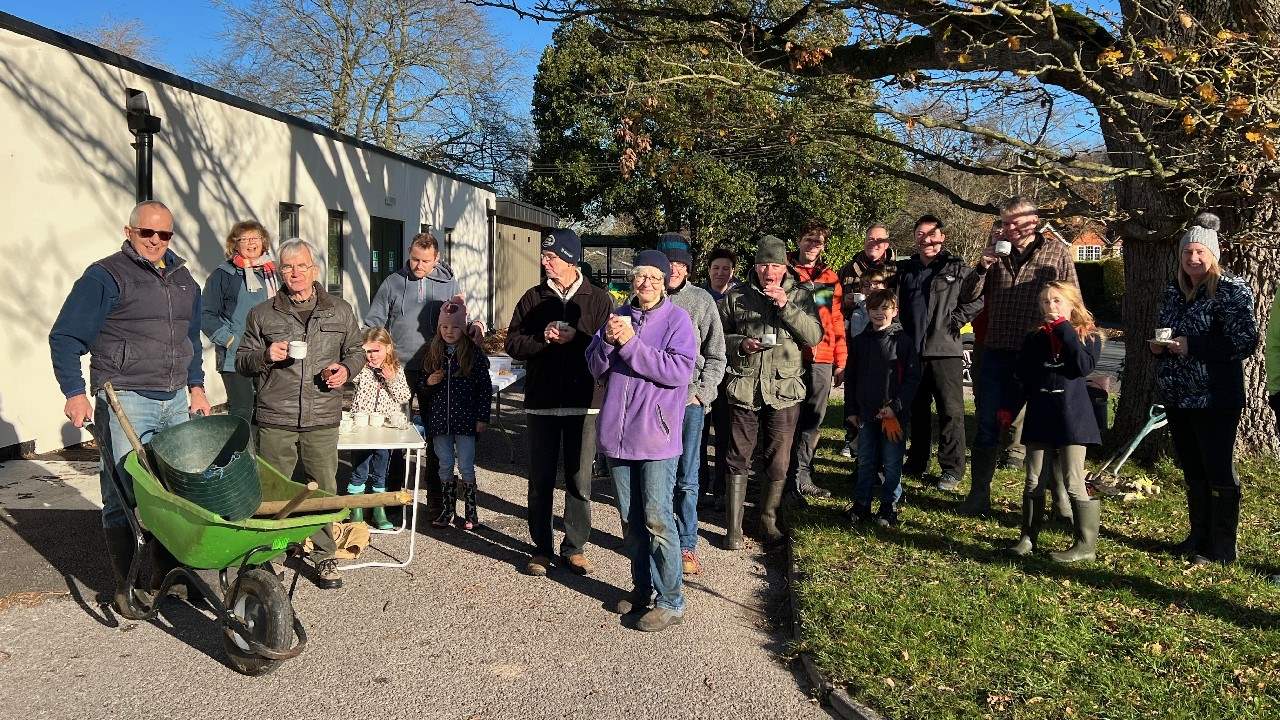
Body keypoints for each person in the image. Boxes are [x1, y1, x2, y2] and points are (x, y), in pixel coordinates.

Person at [50, 200, 211, 617]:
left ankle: (168, 576)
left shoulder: (182, 278)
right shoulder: (104, 276)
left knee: (174, 490)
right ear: (130, 231)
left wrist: (197, 386)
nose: (156, 241)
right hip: (125, 398)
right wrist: (74, 391)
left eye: (165, 234)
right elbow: (65, 336)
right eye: (148, 233)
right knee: (122, 490)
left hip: (175, 398)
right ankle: (126, 584)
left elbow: (189, 341)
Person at [236, 239, 365, 589]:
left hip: (322, 414)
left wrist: (345, 369)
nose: (295, 273)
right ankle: (271, 555)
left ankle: (324, 556)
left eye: (302, 266)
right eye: (289, 267)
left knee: (323, 488)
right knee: (274, 489)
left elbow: (356, 351)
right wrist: (265, 354)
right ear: (280, 271)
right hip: (275, 416)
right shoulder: (262, 313)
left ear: (315, 269)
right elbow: (242, 360)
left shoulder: (340, 310)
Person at [587, 250, 697, 632]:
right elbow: (595, 366)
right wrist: (605, 338)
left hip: (656, 438)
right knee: (630, 521)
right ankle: (642, 590)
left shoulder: (678, 321)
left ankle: (671, 599)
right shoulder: (618, 316)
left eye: (653, 277)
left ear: (666, 280)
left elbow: (679, 371)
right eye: (639, 276)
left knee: (657, 519)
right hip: (617, 436)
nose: (645, 283)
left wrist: (631, 344)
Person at [505, 228, 615, 577]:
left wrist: (577, 338)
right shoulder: (532, 297)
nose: (544, 261)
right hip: (542, 402)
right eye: (544, 255)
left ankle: (575, 547)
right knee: (539, 480)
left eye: (550, 256)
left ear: (571, 259)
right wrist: (542, 338)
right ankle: (541, 548)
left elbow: (609, 348)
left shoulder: (598, 299)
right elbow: (512, 344)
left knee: (580, 480)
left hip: (585, 403)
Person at [1150, 213, 1258, 566]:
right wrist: (1158, 345)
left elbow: (1244, 340)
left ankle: (1223, 547)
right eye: (1187, 253)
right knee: (1193, 469)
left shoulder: (1232, 289)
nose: (1193, 259)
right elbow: (1164, 329)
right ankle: (1197, 537)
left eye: (1199, 252)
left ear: (1213, 255)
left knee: (1218, 469)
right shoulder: (1173, 290)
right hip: (1179, 396)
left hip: (1215, 396)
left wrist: (1192, 345)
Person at [963, 197, 1079, 515]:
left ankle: (1060, 499)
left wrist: (1073, 343)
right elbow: (968, 296)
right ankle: (979, 494)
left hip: (1040, 352)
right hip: (996, 350)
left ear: (1035, 220)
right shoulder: (994, 249)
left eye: (1016, 221)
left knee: (1047, 426)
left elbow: (1073, 300)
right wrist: (982, 265)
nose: (1010, 228)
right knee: (987, 423)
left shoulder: (1057, 252)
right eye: (1005, 222)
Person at [365, 232, 483, 514]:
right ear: (409, 253)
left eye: (425, 261)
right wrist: (378, 356)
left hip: (437, 367)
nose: (419, 266)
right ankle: (391, 499)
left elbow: (461, 320)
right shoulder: (393, 282)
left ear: (437, 259)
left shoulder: (449, 285)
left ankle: (437, 502)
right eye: (415, 259)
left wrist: (476, 326)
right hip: (399, 368)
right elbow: (374, 322)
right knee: (394, 433)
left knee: (436, 435)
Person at [718, 235, 824, 548]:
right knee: (738, 456)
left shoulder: (803, 294)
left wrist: (785, 305)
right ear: (755, 265)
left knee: (778, 460)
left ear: (784, 266)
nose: (769, 271)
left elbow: (814, 335)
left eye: (775, 265)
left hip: (784, 388)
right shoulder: (736, 296)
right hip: (745, 386)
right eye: (764, 264)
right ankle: (733, 529)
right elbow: (716, 338)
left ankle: (767, 521)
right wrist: (740, 344)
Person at [1006, 282, 1103, 561]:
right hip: (1041, 412)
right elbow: (1023, 375)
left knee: (1074, 480)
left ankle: (1085, 545)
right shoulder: (1035, 337)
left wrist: (1064, 330)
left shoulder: (1088, 335)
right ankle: (1027, 537)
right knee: (1033, 479)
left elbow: (1083, 367)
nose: (1051, 307)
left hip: (1073, 416)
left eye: (1057, 301)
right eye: (1046, 302)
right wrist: (1009, 408)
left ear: (1072, 303)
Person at [896, 215, 983, 490]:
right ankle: (917, 460)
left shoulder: (957, 268)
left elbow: (977, 298)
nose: (927, 240)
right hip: (913, 351)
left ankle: (952, 468)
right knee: (916, 409)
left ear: (942, 237)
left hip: (945, 350)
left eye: (932, 234)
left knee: (951, 411)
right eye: (920, 235)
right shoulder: (906, 270)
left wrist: (955, 320)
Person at [662, 241, 727, 575]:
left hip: (689, 402)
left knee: (687, 477)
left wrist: (703, 393)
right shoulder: (643, 299)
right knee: (657, 476)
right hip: (654, 404)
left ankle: (686, 544)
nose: (673, 269)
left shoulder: (701, 301)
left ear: (687, 268)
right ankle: (656, 537)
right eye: (667, 262)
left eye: (679, 264)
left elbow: (717, 354)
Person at [846, 289, 920, 526]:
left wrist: (896, 406)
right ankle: (862, 504)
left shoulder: (903, 342)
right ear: (867, 311)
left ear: (895, 311)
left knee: (892, 461)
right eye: (874, 309)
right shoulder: (859, 343)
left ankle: (889, 506)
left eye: (885, 308)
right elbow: (852, 378)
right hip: (866, 414)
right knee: (866, 460)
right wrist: (851, 411)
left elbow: (911, 379)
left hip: (893, 416)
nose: (879, 313)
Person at [786, 220, 847, 500]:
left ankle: (804, 474)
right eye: (809, 239)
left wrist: (840, 359)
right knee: (786, 418)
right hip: (789, 355)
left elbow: (835, 319)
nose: (813, 246)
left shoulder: (829, 278)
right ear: (799, 240)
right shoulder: (784, 272)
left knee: (813, 420)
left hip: (821, 357)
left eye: (819, 242)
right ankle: (782, 477)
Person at [418, 301, 492, 530]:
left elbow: (484, 388)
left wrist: (482, 417)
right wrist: (429, 382)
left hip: (466, 420)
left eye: (455, 327)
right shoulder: (432, 352)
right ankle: (447, 510)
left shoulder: (473, 354)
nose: (449, 332)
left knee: (467, 466)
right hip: (440, 421)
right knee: (444, 465)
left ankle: (471, 511)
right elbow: (421, 385)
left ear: (463, 328)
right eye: (445, 327)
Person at [201, 220, 278, 425]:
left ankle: (263, 457)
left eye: (255, 238)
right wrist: (229, 341)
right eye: (244, 239)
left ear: (263, 242)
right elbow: (206, 315)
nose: (250, 243)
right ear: (235, 244)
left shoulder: (271, 273)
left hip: (269, 354)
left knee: (269, 412)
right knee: (242, 412)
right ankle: (239, 456)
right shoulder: (223, 274)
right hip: (235, 357)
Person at [837, 225, 895, 457]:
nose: (875, 243)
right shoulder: (848, 270)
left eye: (880, 240)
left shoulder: (895, 271)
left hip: (885, 341)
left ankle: (883, 437)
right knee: (854, 388)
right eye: (870, 239)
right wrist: (846, 302)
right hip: (855, 340)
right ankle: (851, 437)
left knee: (884, 389)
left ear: (887, 244)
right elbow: (828, 301)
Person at [346, 327, 412, 530]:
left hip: (385, 430)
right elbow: (347, 377)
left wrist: (391, 378)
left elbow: (404, 397)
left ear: (388, 349)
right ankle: (355, 509)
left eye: (376, 351)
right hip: (362, 427)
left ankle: (378, 508)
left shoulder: (396, 369)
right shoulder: (361, 369)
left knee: (380, 469)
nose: (372, 356)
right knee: (359, 469)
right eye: (367, 351)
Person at [698, 247, 740, 508]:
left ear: (732, 272)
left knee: (725, 433)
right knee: (699, 433)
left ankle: (722, 489)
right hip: (702, 372)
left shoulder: (739, 298)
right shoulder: (701, 297)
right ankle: (699, 486)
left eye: (725, 268)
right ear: (709, 270)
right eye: (716, 268)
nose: (720, 273)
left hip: (729, 375)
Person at [840, 271, 889, 459]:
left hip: (880, 364)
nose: (871, 288)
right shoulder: (857, 308)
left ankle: (879, 453)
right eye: (866, 285)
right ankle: (852, 442)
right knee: (853, 402)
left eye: (876, 284)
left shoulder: (887, 308)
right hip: (858, 361)